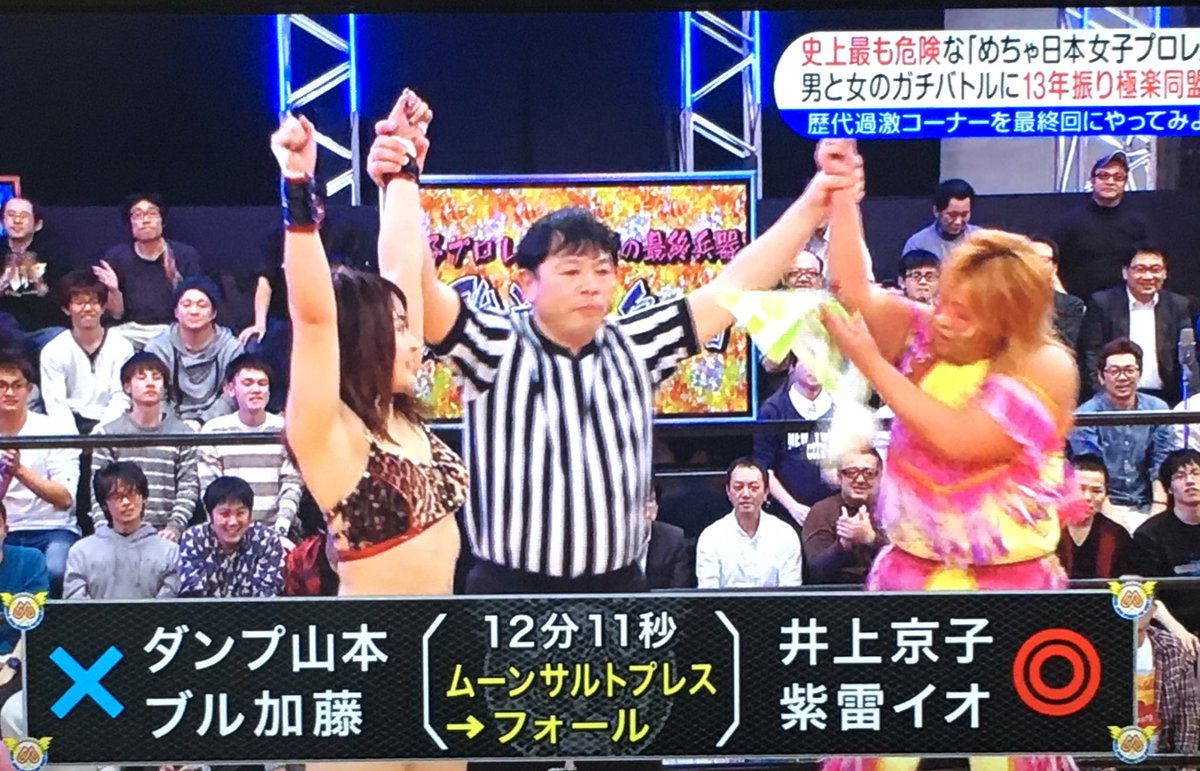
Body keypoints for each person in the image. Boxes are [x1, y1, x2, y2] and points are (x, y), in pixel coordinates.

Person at [366, 90, 862, 599]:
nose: (591, 285)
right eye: (571, 271)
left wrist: (814, 202)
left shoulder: (636, 343)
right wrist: (402, 178)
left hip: (619, 591)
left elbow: (736, 284)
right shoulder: (494, 343)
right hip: (509, 593)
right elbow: (411, 283)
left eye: (603, 271)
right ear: (527, 283)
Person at [818, 153, 1084, 771]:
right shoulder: (925, 333)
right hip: (911, 575)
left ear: (1006, 325)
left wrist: (872, 364)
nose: (942, 316)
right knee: (881, 747)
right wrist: (843, 199)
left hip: (1009, 589)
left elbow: (957, 439)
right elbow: (853, 291)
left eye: (964, 314)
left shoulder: (1045, 367)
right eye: (944, 299)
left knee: (1013, 751)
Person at [273, 109, 467, 771]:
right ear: (365, 341)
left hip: (440, 658)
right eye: (399, 329)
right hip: (364, 658)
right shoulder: (330, 432)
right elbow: (313, 315)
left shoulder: (403, 416)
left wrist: (405, 172)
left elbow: (401, 265)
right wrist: (298, 190)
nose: (417, 342)